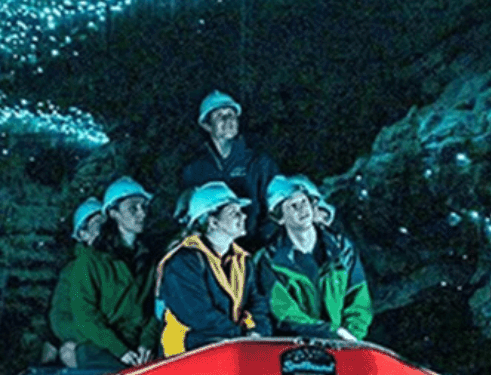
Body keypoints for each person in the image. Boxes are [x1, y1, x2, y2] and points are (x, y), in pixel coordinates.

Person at [250, 174, 373, 341]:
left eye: (304, 202)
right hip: (295, 348)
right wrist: (329, 333)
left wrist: (352, 336)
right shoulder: (269, 261)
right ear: (280, 217)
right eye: (293, 206)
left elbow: (359, 299)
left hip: (345, 346)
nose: (302, 209)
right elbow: (285, 313)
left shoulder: (342, 249)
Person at [65, 176, 161, 368]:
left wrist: (146, 343)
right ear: (113, 213)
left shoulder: (148, 258)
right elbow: (85, 315)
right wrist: (120, 350)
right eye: (132, 208)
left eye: (143, 206)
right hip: (102, 348)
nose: (141, 213)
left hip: (139, 348)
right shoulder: (90, 261)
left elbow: (155, 307)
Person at [156, 180, 258, 356]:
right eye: (234, 212)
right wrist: (242, 334)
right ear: (213, 223)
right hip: (185, 355)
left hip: (230, 347)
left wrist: (258, 331)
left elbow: (257, 301)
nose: (244, 216)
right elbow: (197, 315)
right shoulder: (183, 262)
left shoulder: (243, 261)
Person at [180, 90, 278, 245]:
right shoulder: (194, 169)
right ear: (207, 125)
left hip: (254, 246)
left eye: (231, 115)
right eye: (220, 116)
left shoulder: (259, 162)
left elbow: (275, 208)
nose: (227, 120)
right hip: (213, 250)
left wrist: (264, 245)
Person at [45, 196, 104, 365]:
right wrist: (95, 335)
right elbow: (59, 318)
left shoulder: (123, 263)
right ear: (83, 234)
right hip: (92, 337)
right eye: (99, 225)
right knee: (68, 350)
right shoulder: (73, 271)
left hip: (119, 339)